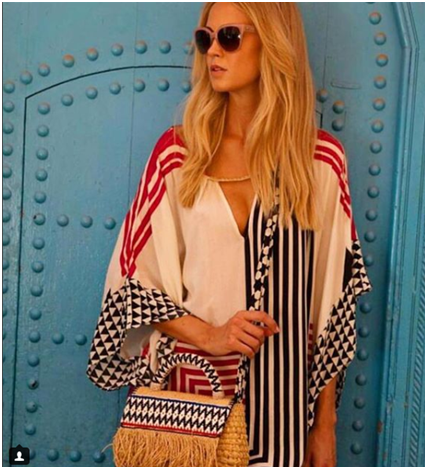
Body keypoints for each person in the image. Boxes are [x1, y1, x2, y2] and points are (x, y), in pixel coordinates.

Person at [86, 2, 373, 467]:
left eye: (230, 37)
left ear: (274, 43)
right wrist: (212, 335)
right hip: (190, 407)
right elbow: (129, 287)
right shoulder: (179, 156)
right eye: (206, 38)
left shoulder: (319, 164)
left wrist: (325, 425)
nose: (213, 52)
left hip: (284, 414)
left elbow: (333, 309)